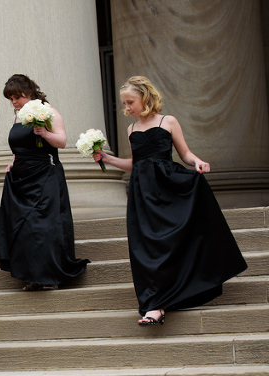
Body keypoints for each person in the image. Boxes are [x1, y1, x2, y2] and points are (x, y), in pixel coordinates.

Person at [94, 76, 246, 325]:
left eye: (130, 101)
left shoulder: (168, 121)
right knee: (146, 247)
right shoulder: (131, 129)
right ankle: (155, 303)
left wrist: (197, 161)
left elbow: (184, 154)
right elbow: (135, 163)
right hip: (142, 193)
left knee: (170, 241)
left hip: (168, 186)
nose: (127, 108)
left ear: (145, 96)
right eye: (125, 103)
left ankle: (164, 300)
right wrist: (107, 159)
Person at [0, 74, 89, 291]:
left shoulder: (50, 112)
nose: (13, 102)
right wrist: (13, 162)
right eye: (10, 99)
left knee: (44, 226)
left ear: (27, 93)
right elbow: (18, 145)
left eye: (16, 97)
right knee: (24, 228)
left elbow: (63, 142)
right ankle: (33, 276)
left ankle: (49, 275)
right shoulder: (17, 117)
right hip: (21, 177)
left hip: (44, 174)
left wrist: (44, 133)